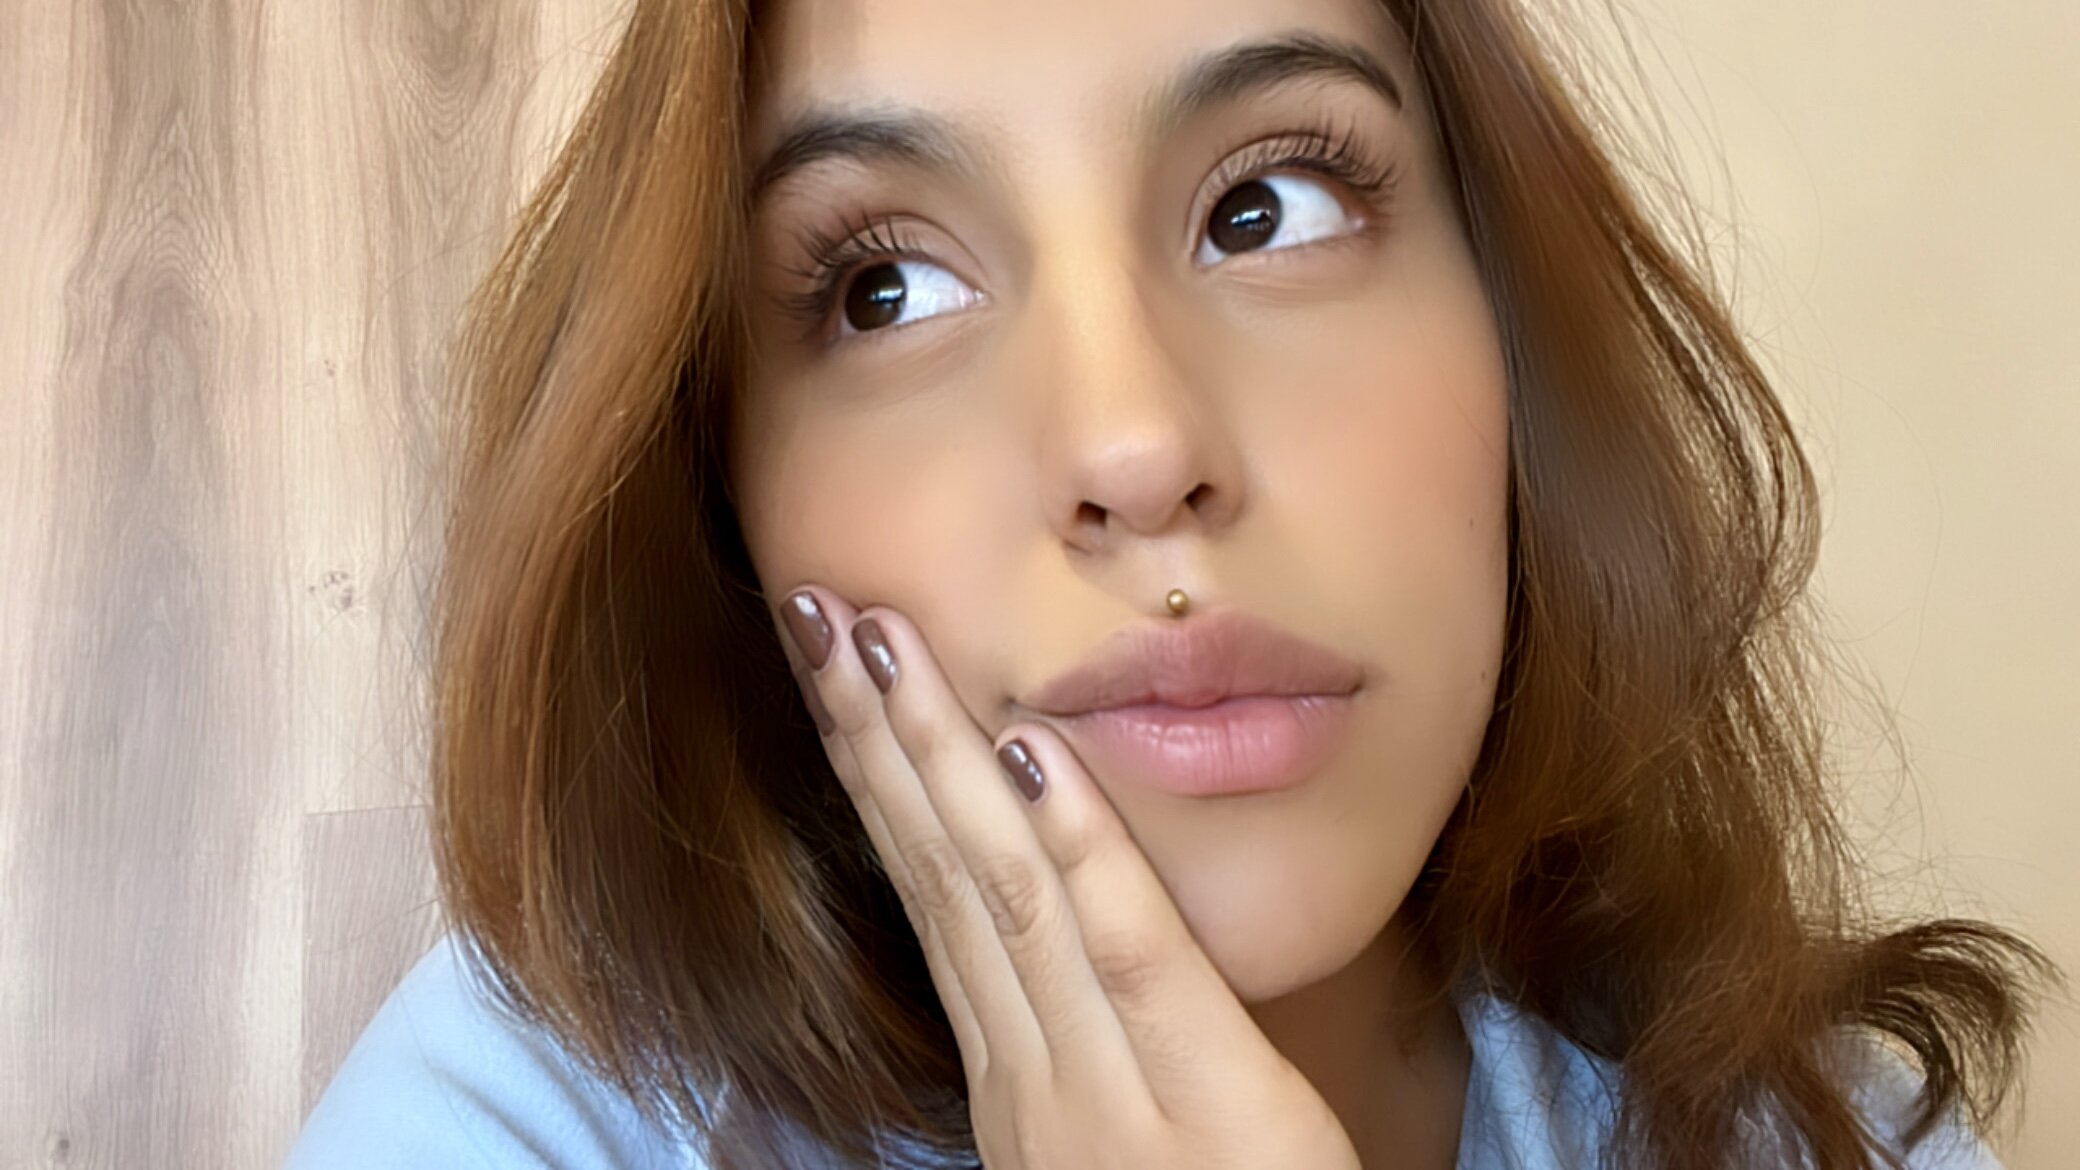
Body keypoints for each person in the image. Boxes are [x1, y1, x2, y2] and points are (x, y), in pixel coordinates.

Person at [284, 0, 2056, 1166]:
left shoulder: (1824, 1130)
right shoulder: (531, 1114)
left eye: (1270, 204)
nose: (1136, 445)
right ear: (720, 493)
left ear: (1510, 337)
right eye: (886, 288)